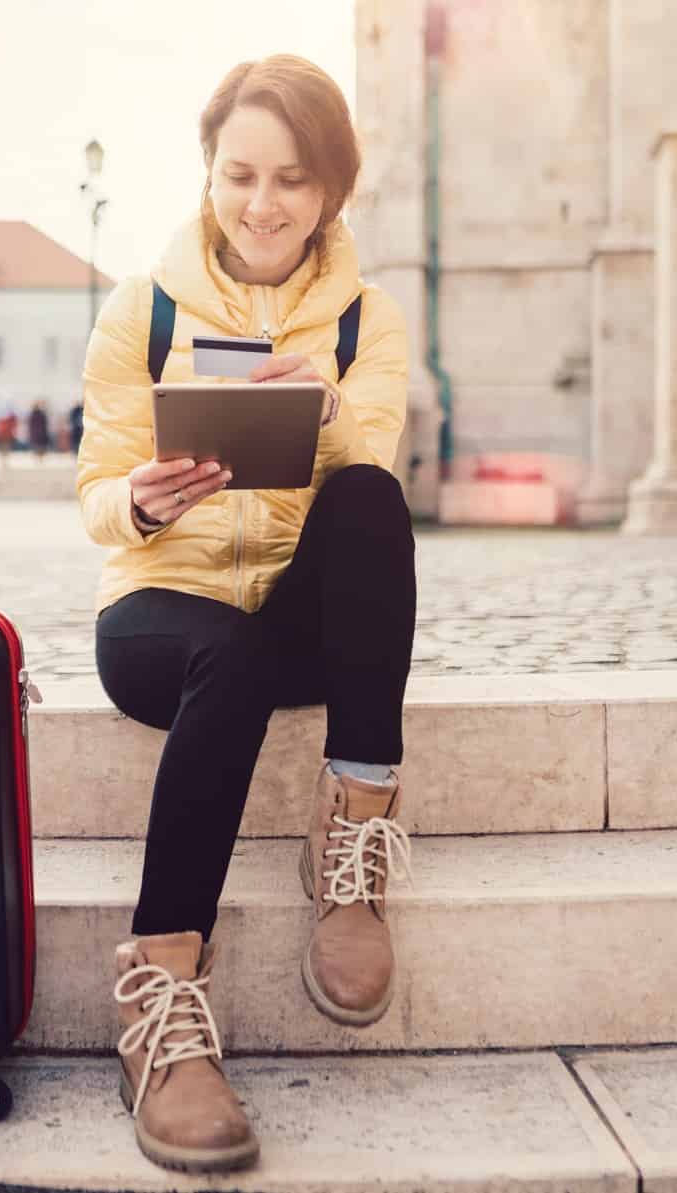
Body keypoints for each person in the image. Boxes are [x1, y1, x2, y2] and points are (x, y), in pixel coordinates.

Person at [75, 55, 411, 1174]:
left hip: (291, 618)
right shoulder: (142, 307)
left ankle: (352, 835)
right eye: (238, 175)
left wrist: (321, 407)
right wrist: (136, 497)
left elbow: (374, 480)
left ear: (330, 193)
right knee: (217, 645)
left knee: (365, 494)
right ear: (208, 175)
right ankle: (160, 998)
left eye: (292, 180)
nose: (261, 204)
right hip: (162, 616)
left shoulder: (368, 325)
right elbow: (93, 489)